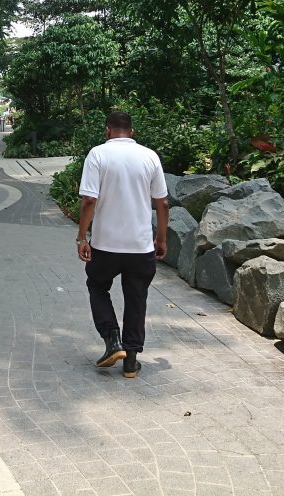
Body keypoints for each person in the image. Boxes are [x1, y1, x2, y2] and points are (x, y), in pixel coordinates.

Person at [76, 110, 168, 378]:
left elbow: (89, 200)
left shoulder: (97, 155)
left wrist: (82, 237)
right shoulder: (149, 156)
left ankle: (112, 339)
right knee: (136, 297)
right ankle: (131, 361)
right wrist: (161, 238)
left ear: (107, 131)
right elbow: (162, 202)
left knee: (97, 285)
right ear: (132, 131)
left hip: (106, 244)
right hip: (141, 247)